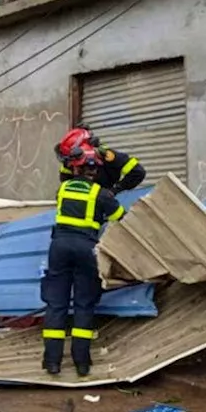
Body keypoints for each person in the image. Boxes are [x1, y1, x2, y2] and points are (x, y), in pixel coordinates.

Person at [43, 133, 125, 378]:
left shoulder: (63, 189)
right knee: (83, 304)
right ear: (95, 170)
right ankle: (81, 364)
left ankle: (52, 362)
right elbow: (120, 217)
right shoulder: (101, 194)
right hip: (85, 249)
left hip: (58, 247)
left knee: (56, 304)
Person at [57, 125, 146, 193]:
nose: (68, 164)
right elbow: (65, 179)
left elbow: (138, 172)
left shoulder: (108, 156)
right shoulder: (69, 163)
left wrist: (115, 190)